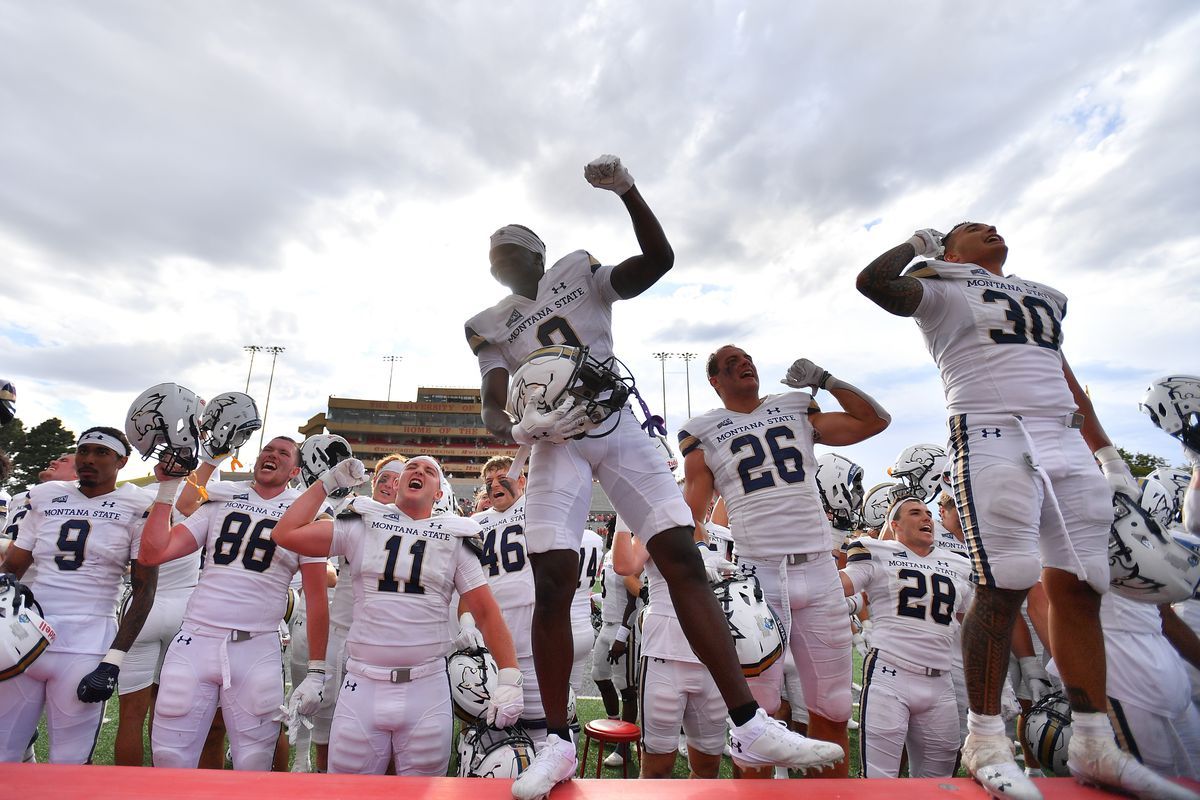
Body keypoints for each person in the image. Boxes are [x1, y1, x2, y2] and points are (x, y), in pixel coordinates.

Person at [465, 155, 843, 799]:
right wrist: (513, 425)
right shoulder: (489, 323)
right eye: (493, 255)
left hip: (619, 429)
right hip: (556, 445)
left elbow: (658, 261)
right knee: (553, 581)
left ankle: (748, 723)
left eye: (509, 251)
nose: (499, 260)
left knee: (681, 558)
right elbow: (490, 401)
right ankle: (557, 742)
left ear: (537, 254)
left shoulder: (578, 273)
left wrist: (627, 191)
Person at [857, 224, 1193, 800]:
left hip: (1062, 435)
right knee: (1004, 582)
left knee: (1084, 584)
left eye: (993, 223)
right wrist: (921, 246)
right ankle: (986, 740)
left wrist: (1106, 450)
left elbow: (1063, 375)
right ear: (952, 249)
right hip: (993, 431)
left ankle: (1094, 741)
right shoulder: (943, 288)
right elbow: (874, 282)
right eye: (972, 228)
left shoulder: (1044, 296)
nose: (990, 227)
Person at [678, 346, 890, 777]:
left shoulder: (793, 406)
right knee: (757, 714)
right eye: (731, 361)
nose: (744, 363)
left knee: (830, 707)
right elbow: (691, 514)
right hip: (759, 577)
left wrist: (827, 379)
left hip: (819, 570)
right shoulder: (703, 430)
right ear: (715, 381)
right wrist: (700, 554)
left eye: (747, 357)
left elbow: (873, 421)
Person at [272, 455, 522, 775]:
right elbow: (285, 533)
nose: (418, 471)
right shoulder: (363, 522)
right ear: (400, 483)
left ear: (439, 493)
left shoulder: (454, 536)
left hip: (426, 687)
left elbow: (486, 612)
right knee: (350, 793)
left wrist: (510, 675)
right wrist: (326, 484)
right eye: (411, 468)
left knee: (420, 792)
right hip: (363, 682)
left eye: (429, 470)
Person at [138, 436, 330, 771]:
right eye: (267, 450)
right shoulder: (222, 498)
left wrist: (316, 670)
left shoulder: (305, 514)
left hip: (256, 646)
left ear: (295, 470)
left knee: (254, 763)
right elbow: (155, 552)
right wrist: (167, 489)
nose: (272, 455)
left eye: (283, 453)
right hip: (197, 639)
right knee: (169, 758)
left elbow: (316, 598)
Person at [0, 428, 158, 764]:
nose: (88, 458)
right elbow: (12, 567)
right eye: (83, 450)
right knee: (4, 752)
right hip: (27, 636)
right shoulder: (45, 497)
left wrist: (113, 662)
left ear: (121, 461)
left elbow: (144, 591)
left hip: (87, 643)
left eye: (101, 452)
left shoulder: (137, 505)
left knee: (70, 761)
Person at [841, 497, 972, 777]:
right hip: (890, 674)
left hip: (941, 681)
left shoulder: (959, 563)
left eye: (928, 513)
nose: (927, 518)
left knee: (938, 784)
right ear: (895, 524)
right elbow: (843, 584)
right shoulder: (875, 550)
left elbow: (973, 621)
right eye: (915, 512)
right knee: (879, 782)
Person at [611, 518, 726, 779]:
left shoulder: (715, 528)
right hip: (665, 653)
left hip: (712, 657)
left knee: (708, 767)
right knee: (656, 769)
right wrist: (648, 596)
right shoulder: (655, 522)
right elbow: (625, 567)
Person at [461, 455, 546, 743]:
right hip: (492, 628)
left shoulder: (535, 507)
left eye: (503, 478)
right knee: (492, 721)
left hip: (533, 624)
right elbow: (467, 579)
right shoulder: (476, 522)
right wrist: (465, 621)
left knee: (539, 722)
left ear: (521, 481)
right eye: (488, 482)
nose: (494, 485)